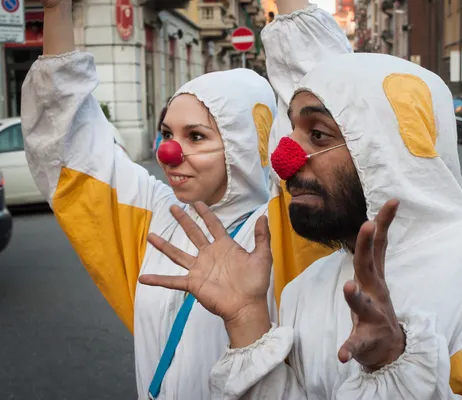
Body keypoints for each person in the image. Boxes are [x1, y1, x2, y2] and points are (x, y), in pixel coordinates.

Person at [139, 3, 462, 399]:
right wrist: (246, 320)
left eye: (317, 135)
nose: (284, 159)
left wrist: (395, 367)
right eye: (292, 131)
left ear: (382, 150)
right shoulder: (305, 289)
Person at [20, 0, 279, 398]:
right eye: (167, 133)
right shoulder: (159, 211)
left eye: (196, 136)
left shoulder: (283, 232)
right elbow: (73, 143)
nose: (169, 153)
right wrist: (57, 10)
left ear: (244, 146)